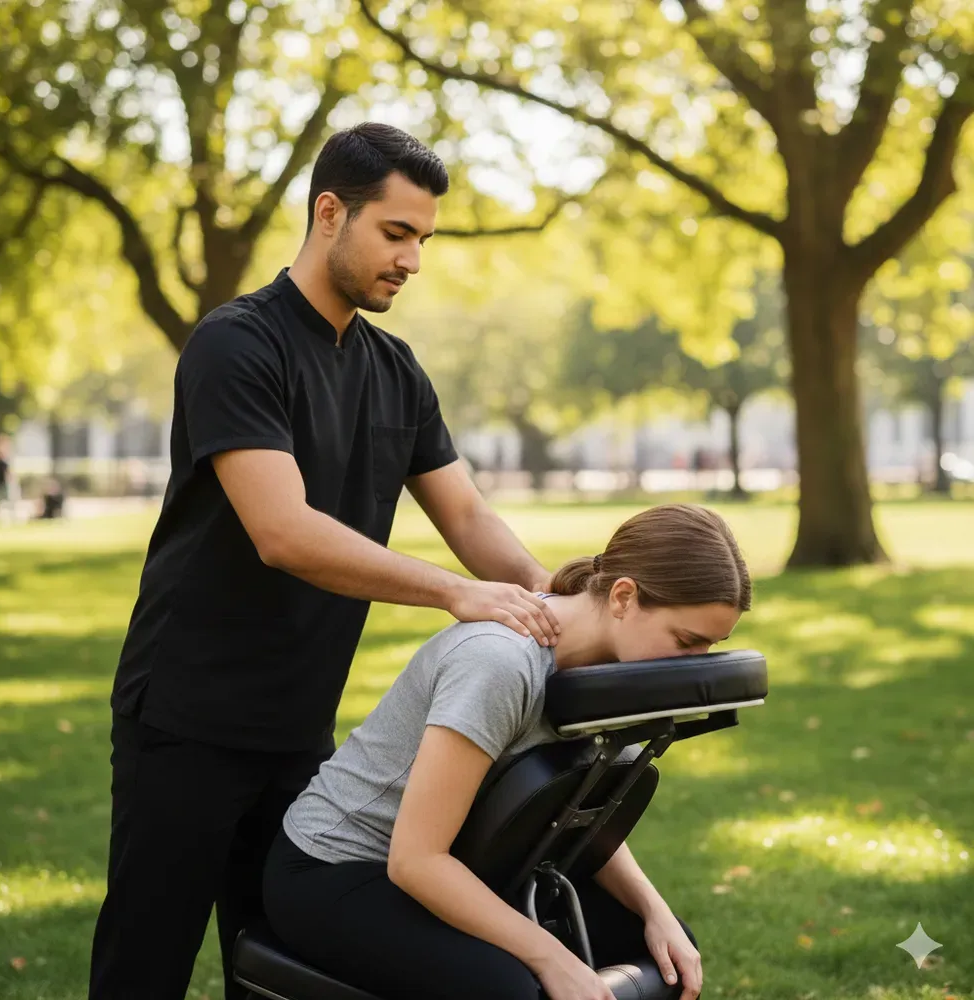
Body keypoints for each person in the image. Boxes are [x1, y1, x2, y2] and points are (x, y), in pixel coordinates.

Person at [89, 121, 563, 1000]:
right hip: (185, 719)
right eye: (396, 233)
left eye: (424, 239)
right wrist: (460, 595)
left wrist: (555, 600)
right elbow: (285, 531)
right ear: (329, 213)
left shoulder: (396, 368)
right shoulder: (236, 344)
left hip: (302, 729)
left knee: (280, 971)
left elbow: (465, 509)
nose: (413, 261)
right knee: (145, 964)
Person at [264, 503, 752, 1000]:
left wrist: (656, 912)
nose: (696, 667)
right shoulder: (500, 663)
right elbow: (415, 861)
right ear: (624, 596)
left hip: (473, 865)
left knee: (666, 954)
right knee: (515, 989)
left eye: (710, 647)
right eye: (687, 642)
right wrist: (551, 957)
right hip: (337, 871)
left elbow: (579, 812)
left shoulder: (622, 672)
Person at [0, 433, 17, 525]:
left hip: (4, 484)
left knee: (11, 501)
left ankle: (12, 519)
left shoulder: (6, 459)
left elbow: (9, 473)